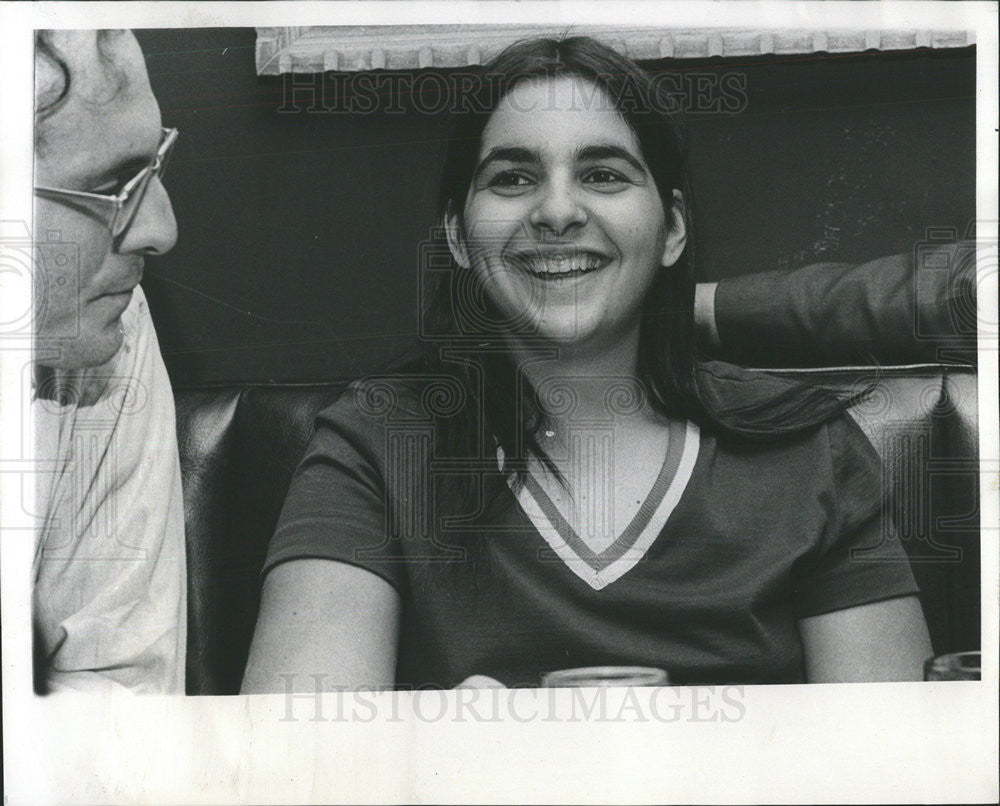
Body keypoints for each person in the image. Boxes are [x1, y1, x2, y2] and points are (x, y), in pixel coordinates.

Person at [242, 36, 932, 692]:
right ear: (456, 233)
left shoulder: (807, 450)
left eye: (603, 174)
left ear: (673, 229)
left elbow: (894, 765)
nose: (557, 210)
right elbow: (294, 763)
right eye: (513, 177)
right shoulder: (376, 445)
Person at [32, 29, 186, 694]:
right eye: (109, 185)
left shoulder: (103, 333)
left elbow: (121, 703)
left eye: (150, 167)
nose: (161, 228)